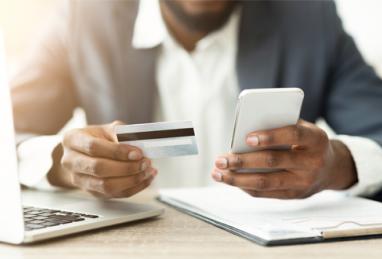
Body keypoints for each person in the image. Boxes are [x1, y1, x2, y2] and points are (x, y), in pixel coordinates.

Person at [11, 0, 382, 199]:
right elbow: (9, 133)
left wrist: (337, 164)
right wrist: (64, 165)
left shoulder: (310, 18)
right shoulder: (85, 16)